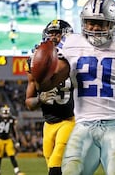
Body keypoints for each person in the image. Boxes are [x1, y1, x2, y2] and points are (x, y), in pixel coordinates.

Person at [33, 0, 115, 174]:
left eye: (101, 23)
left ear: (113, 23)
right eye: (90, 22)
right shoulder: (70, 43)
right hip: (83, 126)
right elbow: (48, 84)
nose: (94, 27)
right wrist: (39, 72)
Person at [25, 19, 75, 175]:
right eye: (50, 34)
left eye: (57, 34)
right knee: (52, 164)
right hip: (48, 123)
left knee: (55, 163)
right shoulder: (35, 63)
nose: (53, 38)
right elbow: (29, 103)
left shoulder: (75, 60)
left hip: (69, 120)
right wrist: (41, 98)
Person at [0, 106, 25, 175]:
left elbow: (15, 131)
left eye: (6, 111)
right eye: (4, 111)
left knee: (12, 155)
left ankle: (16, 171)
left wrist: (16, 141)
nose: (5, 113)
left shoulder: (12, 119)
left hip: (8, 139)